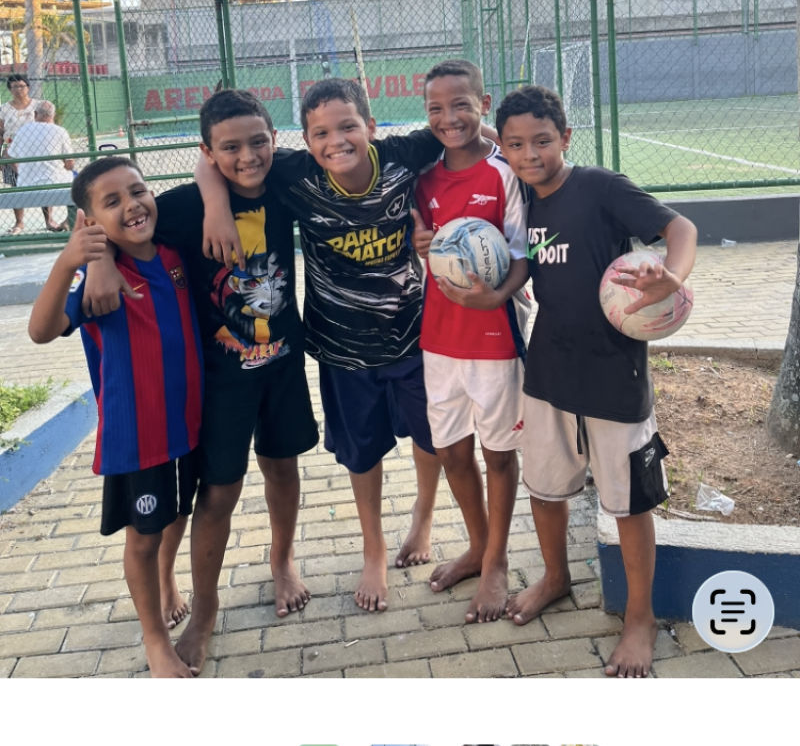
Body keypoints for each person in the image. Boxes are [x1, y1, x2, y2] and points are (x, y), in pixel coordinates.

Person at [197, 76, 465, 613]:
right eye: (320, 133)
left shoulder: (402, 155)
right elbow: (213, 160)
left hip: (414, 335)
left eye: (348, 127)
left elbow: (461, 134)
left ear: (371, 126)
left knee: (435, 439)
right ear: (304, 139)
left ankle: (424, 516)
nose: (336, 141)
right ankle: (373, 549)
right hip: (342, 349)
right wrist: (214, 206)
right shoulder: (294, 173)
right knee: (361, 452)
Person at [82, 91, 319, 673]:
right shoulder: (184, 208)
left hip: (282, 363)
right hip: (217, 382)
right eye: (229, 148)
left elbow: (360, 149)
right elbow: (112, 223)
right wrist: (98, 262)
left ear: (274, 138)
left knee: (282, 467)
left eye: (258, 141)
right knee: (214, 495)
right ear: (207, 153)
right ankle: (200, 605)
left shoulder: (286, 178)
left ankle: (282, 560)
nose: (248, 156)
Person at [496, 84, 697, 679]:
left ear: (566, 137)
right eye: (515, 145)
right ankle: (555, 577)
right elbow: (479, 140)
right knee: (544, 488)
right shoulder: (520, 198)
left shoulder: (600, 187)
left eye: (542, 141)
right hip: (549, 372)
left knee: (628, 503)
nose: (529, 154)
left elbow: (680, 228)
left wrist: (672, 278)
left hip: (614, 375)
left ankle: (640, 617)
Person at [27, 158, 203, 678]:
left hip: (189, 424)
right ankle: (154, 641)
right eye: (112, 201)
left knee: (177, 513)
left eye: (138, 191)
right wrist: (70, 261)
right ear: (89, 222)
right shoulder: (94, 279)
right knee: (143, 537)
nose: (132, 205)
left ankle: (168, 581)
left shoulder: (173, 253)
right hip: (138, 436)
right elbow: (40, 331)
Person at [410, 60, 532, 624]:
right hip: (439, 338)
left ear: (483, 105)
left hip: (494, 336)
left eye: (461, 104)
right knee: (452, 452)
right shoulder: (423, 178)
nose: (449, 117)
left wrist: (497, 295)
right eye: (436, 108)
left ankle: (497, 562)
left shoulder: (504, 172)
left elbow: (521, 254)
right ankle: (478, 546)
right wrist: (420, 243)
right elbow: (423, 246)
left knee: (498, 453)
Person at [11, 100, 74, 231]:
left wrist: (20, 171)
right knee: (83, 183)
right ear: (53, 115)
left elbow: (10, 156)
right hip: (55, 183)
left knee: (42, 174)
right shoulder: (60, 131)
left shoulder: (23, 130)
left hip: (26, 184)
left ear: (35, 114)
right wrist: (64, 166)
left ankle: (20, 223)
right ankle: (68, 222)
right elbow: (70, 163)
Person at [0, 74, 37, 234]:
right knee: (15, 186)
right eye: (14, 87)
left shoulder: (37, 105)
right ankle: (19, 222)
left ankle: (49, 220)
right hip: (11, 152)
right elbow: (1, 132)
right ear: (9, 89)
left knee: (43, 184)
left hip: (35, 150)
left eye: (21, 86)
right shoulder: (4, 109)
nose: (18, 90)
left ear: (28, 87)